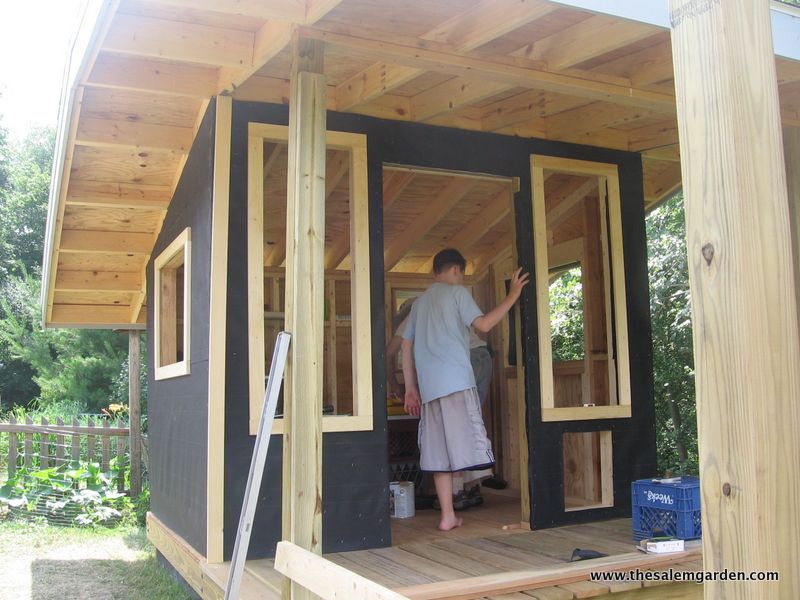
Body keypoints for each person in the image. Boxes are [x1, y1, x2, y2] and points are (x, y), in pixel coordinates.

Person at [401, 248, 528, 531]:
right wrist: (512, 295)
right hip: (457, 382)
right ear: (456, 270)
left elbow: (405, 346)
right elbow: (484, 325)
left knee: (438, 453)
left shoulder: (419, 304)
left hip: (430, 389)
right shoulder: (457, 293)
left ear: (435, 270)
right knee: (468, 444)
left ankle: (448, 516)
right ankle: (469, 495)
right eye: (462, 274)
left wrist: (410, 387)